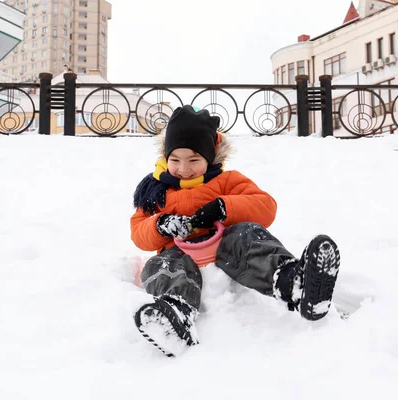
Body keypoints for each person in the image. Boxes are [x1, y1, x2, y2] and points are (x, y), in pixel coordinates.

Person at [130, 105, 341, 357]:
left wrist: (223, 207)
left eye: (194, 160)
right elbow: (138, 230)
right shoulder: (156, 190)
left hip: (226, 247)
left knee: (248, 234)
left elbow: (265, 206)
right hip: (178, 252)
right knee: (162, 265)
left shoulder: (227, 180)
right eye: (175, 160)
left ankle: (293, 283)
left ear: (210, 157)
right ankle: (175, 313)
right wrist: (161, 224)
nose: (184, 168)